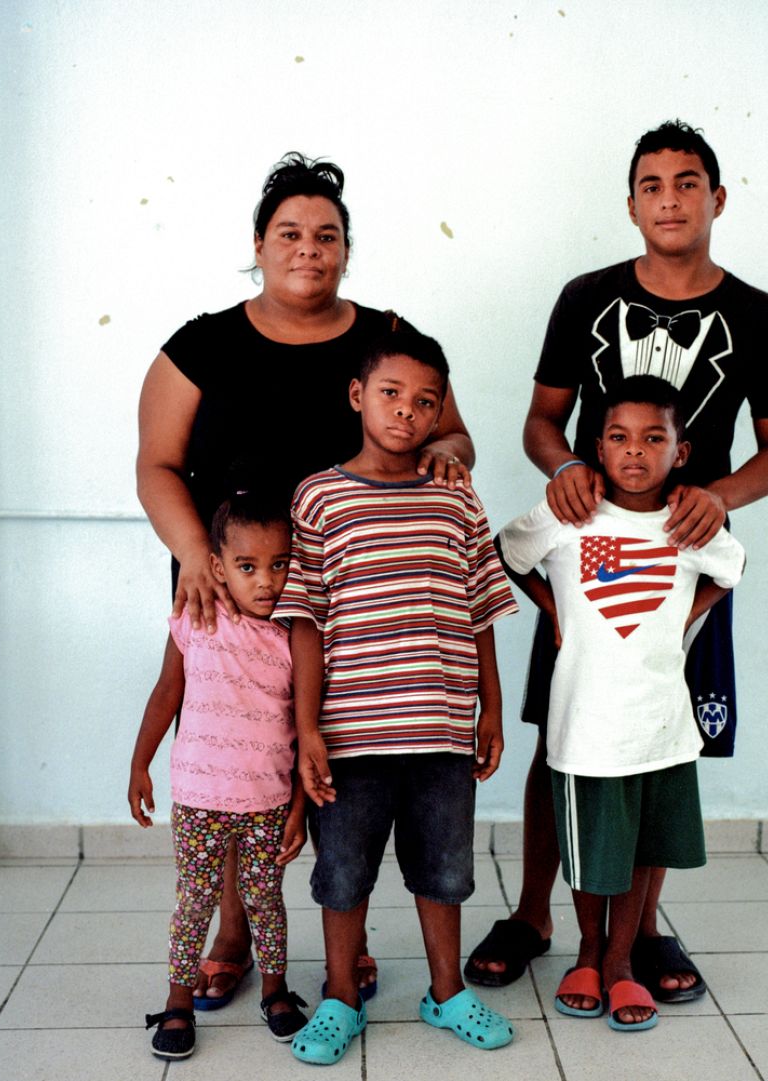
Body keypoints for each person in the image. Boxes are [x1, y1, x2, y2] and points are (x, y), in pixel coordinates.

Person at [466, 120, 768, 1000]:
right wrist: (568, 466)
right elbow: (542, 422)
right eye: (652, 184)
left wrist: (719, 498)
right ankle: (537, 911)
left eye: (688, 183)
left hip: (682, 551)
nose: (670, 198)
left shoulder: (757, 314)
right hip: (588, 554)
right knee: (562, 733)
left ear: (716, 199)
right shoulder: (586, 297)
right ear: (631, 204)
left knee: (656, 741)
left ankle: (636, 934)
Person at [136, 152, 474, 1008]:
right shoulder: (200, 343)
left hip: (342, 598)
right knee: (237, 757)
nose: (309, 248)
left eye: (328, 235)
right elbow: (157, 465)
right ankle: (233, 931)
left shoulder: (386, 337)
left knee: (329, 754)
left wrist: (438, 458)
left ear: (347, 251)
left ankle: (339, 937)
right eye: (290, 232)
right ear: (258, 243)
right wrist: (195, 558)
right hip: (229, 593)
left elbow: (453, 440)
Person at [273, 329, 518, 1065]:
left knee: (445, 870)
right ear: (356, 396)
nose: (407, 412)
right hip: (350, 736)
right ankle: (342, 998)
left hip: (442, 730)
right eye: (390, 394)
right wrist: (307, 728)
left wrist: (492, 708)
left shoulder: (455, 498)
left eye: (425, 402)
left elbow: (481, 611)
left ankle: (446, 992)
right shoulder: (319, 497)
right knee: (342, 873)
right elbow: (306, 622)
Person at [497, 375, 745, 1030]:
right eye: (618, 436)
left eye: (653, 437)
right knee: (592, 849)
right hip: (586, 725)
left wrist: (683, 622)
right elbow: (507, 551)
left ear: (681, 452)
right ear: (596, 448)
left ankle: (619, 960)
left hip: (662, 726)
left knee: (642, 845)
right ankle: (585, 949)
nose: (635, 451)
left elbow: (732, 567)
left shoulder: (689, 521)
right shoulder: (566, 514)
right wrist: (556, 613)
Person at [129, 493, 308, 1059]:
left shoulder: (294, 635)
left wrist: (300, 807)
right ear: (216, 567)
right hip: (199, 799)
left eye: (280, 564)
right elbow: (166, 694)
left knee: (266, 901)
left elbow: (308, 728)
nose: (266, 582)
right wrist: (140, 763)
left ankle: (276, 994)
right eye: (248, 567)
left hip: (268, 800)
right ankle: (178, 1004)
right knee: (194, 902)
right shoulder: (193, 619)